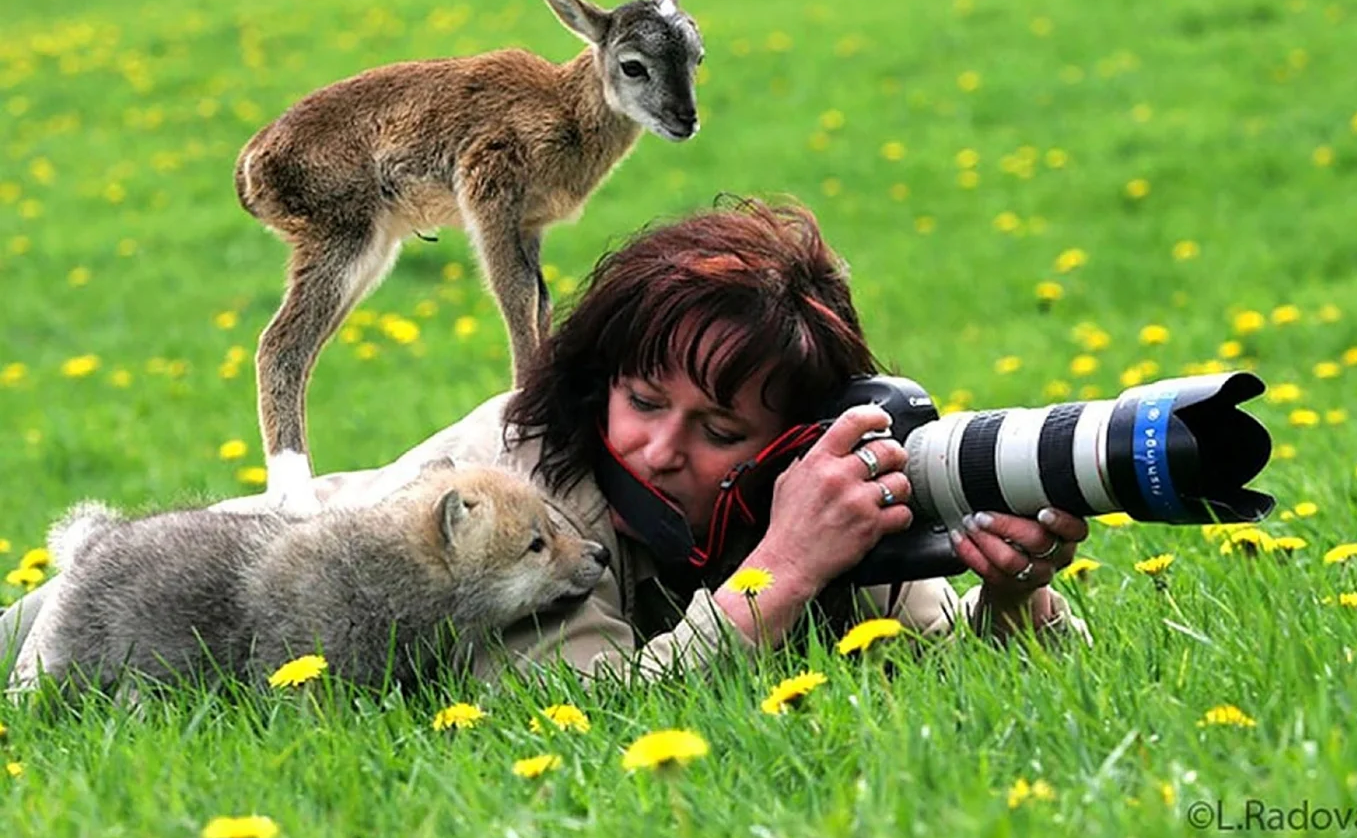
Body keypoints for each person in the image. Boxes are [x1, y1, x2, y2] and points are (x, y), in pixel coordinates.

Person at [2, 198, 1089, 686]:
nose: (660, 447)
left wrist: (1012, 596)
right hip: (183, 582)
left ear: (789, 441)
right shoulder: (521, 502)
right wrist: (778, 574)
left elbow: (949, 660)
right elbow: (586, 716)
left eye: (717, 428)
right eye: (641, 398)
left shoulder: (815, 485)